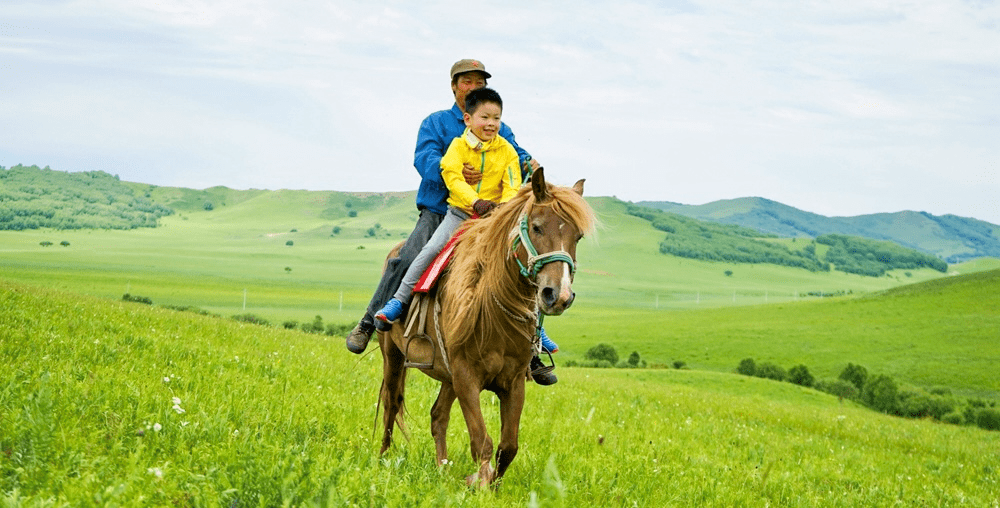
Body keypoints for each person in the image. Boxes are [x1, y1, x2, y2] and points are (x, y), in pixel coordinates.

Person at [345, 59, 559, 383]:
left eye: (479, 82)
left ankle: (529, 347)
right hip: (443, 210)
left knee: (525, 258)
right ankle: (368, 322)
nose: (473, 86)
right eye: (466, 81)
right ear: (454, 86)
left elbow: (516, 154)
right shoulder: (436, 123)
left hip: (491, 216)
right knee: (411, 254)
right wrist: (454, 175)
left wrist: (530, 164)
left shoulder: (498, 127)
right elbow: (425, 158)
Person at [375, 87, 520, 323]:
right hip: (460, 214)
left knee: (522, 258)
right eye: (484, 117)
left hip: (495, 218)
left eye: (496, 118)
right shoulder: (457, 147)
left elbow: (513, 183)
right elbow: (453, 178)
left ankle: (534, 325)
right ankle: (399, 300)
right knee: (431, 250)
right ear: (468, 119)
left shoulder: (507, 150)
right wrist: (476, 202)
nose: (491, 124)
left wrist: (503, 207)